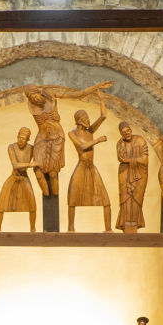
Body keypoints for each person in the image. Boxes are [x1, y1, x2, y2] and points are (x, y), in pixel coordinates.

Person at [22, 81, 113, 197]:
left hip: (56, 137)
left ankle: (54, 196)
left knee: (53, 174)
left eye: (34, 95)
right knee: (38, 172)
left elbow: (79, 94)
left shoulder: (51, 96)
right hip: (41, 138)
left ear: (39, 92)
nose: (34, 99)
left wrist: (96, 87)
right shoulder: (31, 105)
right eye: (31, 97)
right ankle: (46, 194)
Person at [66, 96, 112, 233]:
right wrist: (98, 140)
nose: (88, 121)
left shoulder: (90, 131)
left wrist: (101, 99)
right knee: (73, 197)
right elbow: (83, 146)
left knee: (105, 199)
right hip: (81, 166)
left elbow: (103, 116)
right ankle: (70, 228)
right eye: (86, 119)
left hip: (92, 168)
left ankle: (108, 229)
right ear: (79, 121)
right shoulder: (72, 133)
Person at [0, 126, 37, 232]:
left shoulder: (32, 149)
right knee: (1, 203)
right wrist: (31, 164)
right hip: (13, 177)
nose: (20, 140)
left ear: (27, 139)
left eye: (23, 138)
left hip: (24, 178)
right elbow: (15, 165)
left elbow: (39, 160)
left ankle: (33, 229)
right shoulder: (12, 147)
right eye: (19, 137)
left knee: (32, 203)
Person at [115, 121, 150, 233]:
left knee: (136, 198)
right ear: (121, 134)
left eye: (128, 130)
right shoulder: (120, 143)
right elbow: (121, 159)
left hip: (139, 174)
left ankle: (135, 223)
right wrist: (127, 159)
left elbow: (145, 160)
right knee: (125, 198)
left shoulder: (140, 140)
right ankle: (125, 223)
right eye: (123, 132)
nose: (126, 134)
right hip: (124, 172)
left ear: (131, 129)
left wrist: (129, 160)